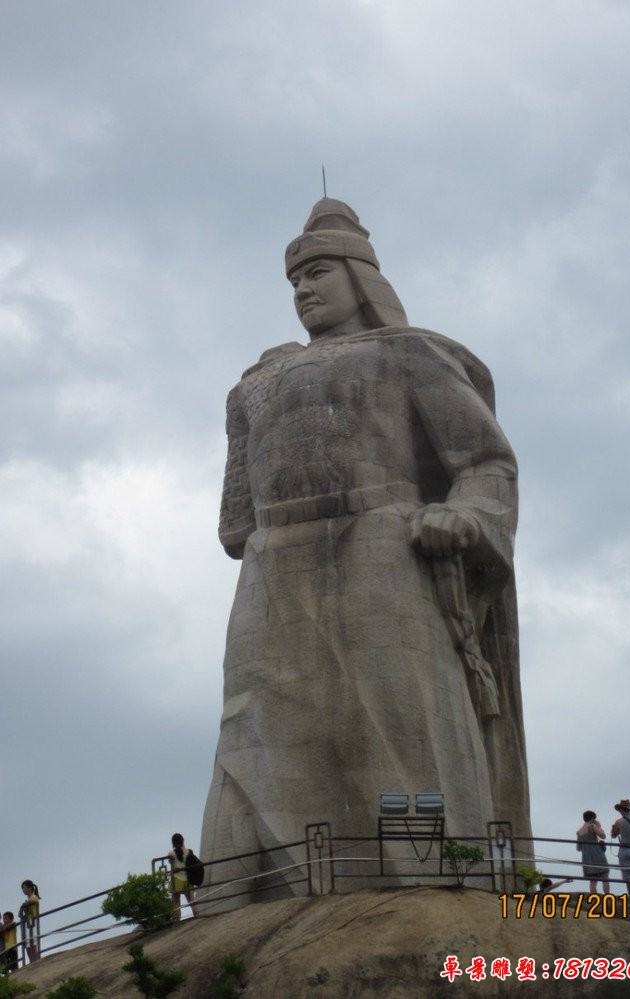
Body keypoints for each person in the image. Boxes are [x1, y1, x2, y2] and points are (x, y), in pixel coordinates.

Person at [200, 198, 532, 906]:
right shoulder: (257, 381)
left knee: (403, 725)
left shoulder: (406, 352)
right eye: (294, 281)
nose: (304, 291)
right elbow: (234, 526)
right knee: (251, 729)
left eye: (318, 272)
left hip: (382, 549)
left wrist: (465, 516)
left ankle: (436, 878)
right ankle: (241, 891)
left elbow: (487, 462)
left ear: (359, 276)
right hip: (272, 567)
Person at [576, 810, 610, 894]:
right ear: (592, 818)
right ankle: (607, 897)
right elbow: (603, 836)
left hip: (586, 857)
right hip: (597, 854)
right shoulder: (592, 825)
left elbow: (578, 848)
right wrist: (599, 826)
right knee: (605, 877)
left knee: (593, 881)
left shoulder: (579, 831)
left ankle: (594, 898)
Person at [168, 833, 199, 920]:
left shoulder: (171, 853)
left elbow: (171, 864)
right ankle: (197, 916)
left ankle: (177, 920)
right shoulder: (189, 851)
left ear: (173, 843)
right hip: (188, 879)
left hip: (176, 879)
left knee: (176, 902)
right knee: (192, 900)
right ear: (183, 841)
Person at [18, 880, 40, 962]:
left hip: (33, 922)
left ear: (30, 887)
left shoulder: (33, 896)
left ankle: (36, 961)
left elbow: (35, 901)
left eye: (24, 888)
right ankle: (32, 961)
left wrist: (24, 904)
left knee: (33, 944)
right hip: (28, 923)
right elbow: (22, 914)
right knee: (27, 945)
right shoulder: (28, 899)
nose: (23, 890)